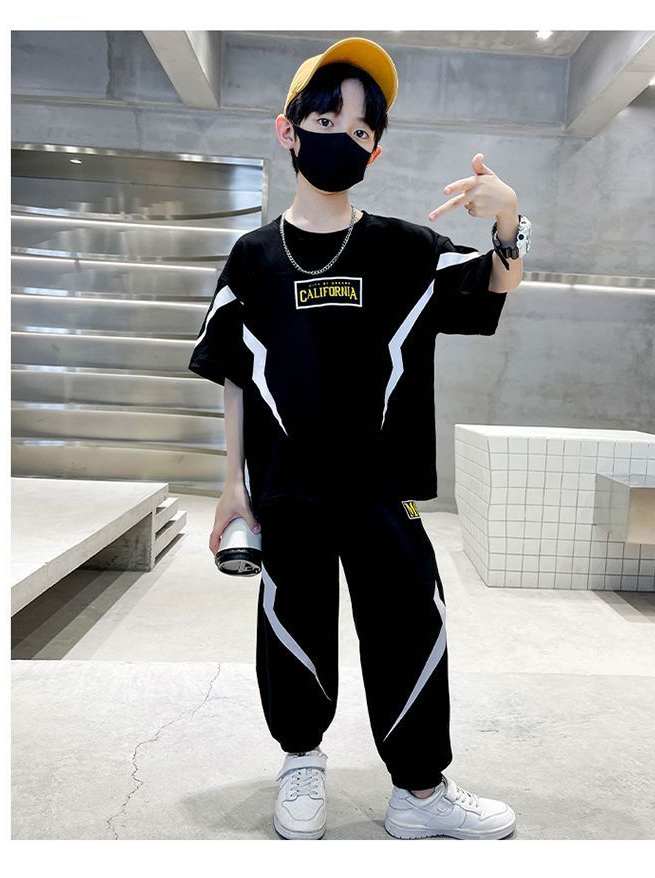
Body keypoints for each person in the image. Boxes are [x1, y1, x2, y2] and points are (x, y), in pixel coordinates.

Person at [189, 36, 526, 841]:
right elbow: (234, 373)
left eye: (364, 129)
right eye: (327, 119)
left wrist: (509, 217)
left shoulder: (406, 251)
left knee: (410, 626)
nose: (346, 136)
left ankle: (420, 793)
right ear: (289, 130)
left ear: (376, 151)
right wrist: (232, 486)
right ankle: (301, 763)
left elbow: (493, 283)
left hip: (384, 488)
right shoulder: (252, 258)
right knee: (293, 626)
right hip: (288, 488)